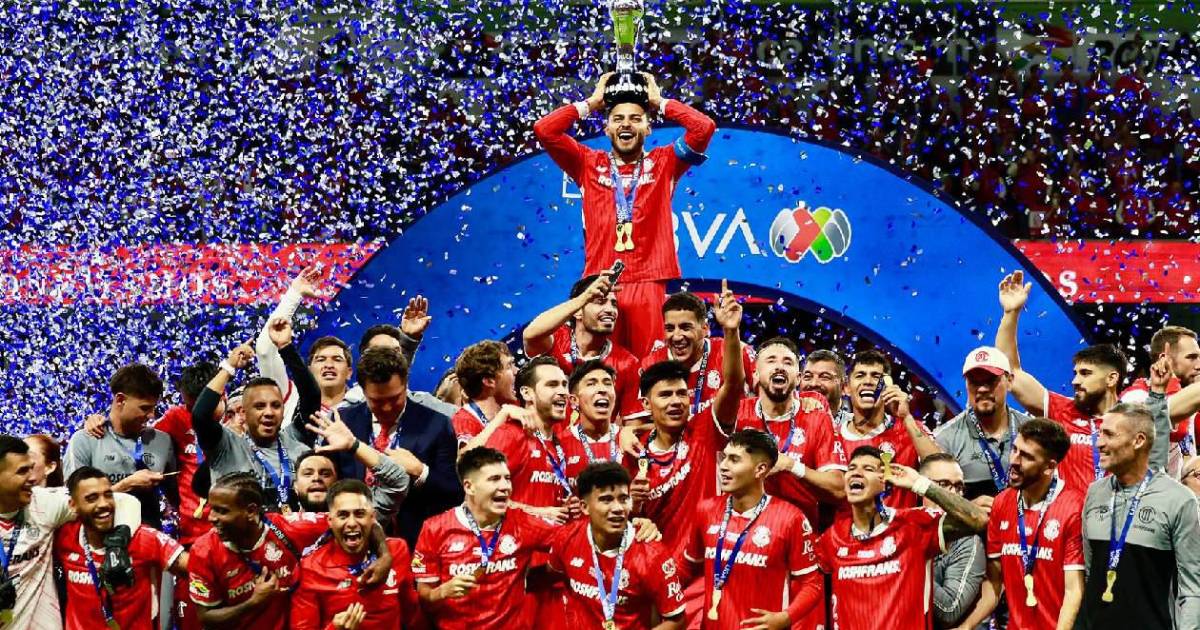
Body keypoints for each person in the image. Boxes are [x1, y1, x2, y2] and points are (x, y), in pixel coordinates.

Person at [533, 71, 717, 358]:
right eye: (617, 119)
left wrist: (659, 101)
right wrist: (591, 103)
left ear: (648, 128)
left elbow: (703, 128)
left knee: (650, 365)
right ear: (607, 129)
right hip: (602, 283)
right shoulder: (586, 163)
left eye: (635, 118)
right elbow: (545, 130)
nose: (626, 124)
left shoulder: (665, 162)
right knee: (601, 364)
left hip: (649, 282)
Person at [622, 280, 746, 554]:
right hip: (655, 561)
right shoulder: (635, 450)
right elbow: (622, 517)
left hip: (706, 558)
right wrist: (634, 504)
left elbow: (733, 386)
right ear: (646, 403)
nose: (676, 401)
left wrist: (731, 330)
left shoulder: (704, 429)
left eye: (681, 394)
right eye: (666, 395)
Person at [186, 472, 393, 629]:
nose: (211, 517)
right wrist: (254, 602)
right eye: (212, 508)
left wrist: (385, 556)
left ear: (251, 511)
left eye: (222, 511)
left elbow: (362, 522)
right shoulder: (203, 551)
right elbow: (206, 617)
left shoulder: (291, 527)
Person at [815, 446, 989, 630]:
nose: (856, 473)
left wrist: (920, 484)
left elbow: (978, 519)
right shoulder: (832, 538)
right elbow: (808, 585)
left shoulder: (914, 526)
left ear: (885, 483)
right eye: (851, 468)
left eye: (868, 469)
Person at [995, 270, 1134, 489]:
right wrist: (1011, 314)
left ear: (1112, 379)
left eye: (1085, 374)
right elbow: (1011, 371)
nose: (1075, 381)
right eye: (1075, 373)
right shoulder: (1062, 411)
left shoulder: (1134, 420)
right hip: (1067, 511)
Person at [681, 430, 822, 629]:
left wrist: (785, 618)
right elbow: (684, 568)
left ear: (760, 469)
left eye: (734, 460)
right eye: (724, 458)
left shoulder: (790, 518)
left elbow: (812, 583)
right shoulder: (706, 510)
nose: (723, 466)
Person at [1076, 403, 1200, 629]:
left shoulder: (1179, 500)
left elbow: (1192, 590)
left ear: (1139, 440)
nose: (1099, 443)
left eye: (1109, 434)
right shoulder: (1095, 493)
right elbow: (1091, 573)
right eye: (1100, 433)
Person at [954, 418, 1083, 630]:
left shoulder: (1073, 508)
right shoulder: (1002, 503)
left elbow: (1073, 591)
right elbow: (994, 583)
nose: (1014, 461)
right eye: (1015, 449)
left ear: (1049, 467)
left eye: (1026, 456)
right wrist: (966, 626)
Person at [411, 447, 560, 629]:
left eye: (507, 478)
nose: (505, 486)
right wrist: (442, 592)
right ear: (469, 487)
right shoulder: (435, 528)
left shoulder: (523, 523)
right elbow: (424, 599)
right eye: (494, 479)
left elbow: (571, 542)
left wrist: (542, 575)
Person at [0, 435, 139, 630]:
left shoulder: (45, 503)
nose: (32, 478)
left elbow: (125, 501)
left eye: (31, 468)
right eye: (22, 471)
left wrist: (117, 543)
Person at [333, 346, 462, 544]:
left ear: (406, 384)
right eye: (377, 401)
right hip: (353, 542)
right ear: (363, 391)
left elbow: (455, 493)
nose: (387, 408)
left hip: (417, 544)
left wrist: (421, 472)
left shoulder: (436, 424)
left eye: (395, 398)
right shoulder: (343, 423)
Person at [191, 322, 322, 513]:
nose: (269, 412)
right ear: (245, 412)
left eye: (275, 405)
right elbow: (200, 415)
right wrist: (229, 367)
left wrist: (286, 348)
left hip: (292, 530)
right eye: (259, 406)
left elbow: (311, 396)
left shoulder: (296, 439)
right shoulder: (226, 445)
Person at [546, 462, 685, 629]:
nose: (618, 508)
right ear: (584, 507)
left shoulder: (652, 554)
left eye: (624, 499)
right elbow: (549, 576)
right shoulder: (567, 538)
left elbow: (677, 620)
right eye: (606, 500)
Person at [732, 337, 846, 529]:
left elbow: (838, 489)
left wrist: (791, 465)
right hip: (741, 534)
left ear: (798, 378)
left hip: (800, 534)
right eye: (771, 361)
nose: (779, 367)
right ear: (756, 374)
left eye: (788, 362)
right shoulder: (737, 413)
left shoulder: (816, 417)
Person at [54, 467, 188, 630]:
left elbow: (194, 568)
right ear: (73, 505)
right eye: (92, 498)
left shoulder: (142, 538)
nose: (104, 504)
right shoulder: (65, 536)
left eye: (108, 495)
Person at [291, 479, 424, 630]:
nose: (352, 523)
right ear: (330, 520)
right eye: (343, 515)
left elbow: (413, 616)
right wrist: (334, 629)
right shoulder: (311, 568)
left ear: (372, 517)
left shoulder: (397, 551)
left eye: (360, 514)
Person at [64, 364, 178, 532]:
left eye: (154, 408)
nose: (152, 415)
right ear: (120, 400)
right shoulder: (84, 441)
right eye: (144, 408)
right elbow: (74, 506)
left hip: (148, 541)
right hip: (102, 540)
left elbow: (177, 498)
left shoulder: (161, 441)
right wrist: (126, 485)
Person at [522, 272, 642, 421]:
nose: (610, 310)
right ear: (578, 311)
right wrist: (585, 297)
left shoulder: (628, 364)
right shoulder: (557, 338)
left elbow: (633, 425)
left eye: (613, 304)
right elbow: (530, 335)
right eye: (600, 301)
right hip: (547, 434)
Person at [467, 356, 575, 521]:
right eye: (552, 385)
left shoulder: (558, 443)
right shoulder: (510, 435)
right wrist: (538, 512)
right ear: (526, 393)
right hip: (512, 537)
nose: (563, 392)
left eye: (564, 385)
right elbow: (480, 494)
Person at [836, 350, 941, 508]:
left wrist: (906, 418)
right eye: (860, 375)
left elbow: (940, 470)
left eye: (876, 376)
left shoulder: (910, 428)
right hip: (848, 524)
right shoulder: (833, 436)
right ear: (846, 388)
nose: (868, 381)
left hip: (900, 523)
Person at [934, 347, 1032, 501]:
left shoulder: (1033, 433)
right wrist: (968, 509)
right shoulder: (945, 439)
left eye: (991, 381)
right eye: (974, 382)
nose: (982, 389)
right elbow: (936, 505)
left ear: (1009, 381)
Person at [639, 291, 755, 415]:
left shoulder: (734, 352)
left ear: (705, 329)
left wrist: (731, 330)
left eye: (685, 328)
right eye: (670, 329)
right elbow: (639, 422)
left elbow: (766, 397)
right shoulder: (651, 364)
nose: (676, 337)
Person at [1119, 325, 1200, 477]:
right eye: (1191, 357)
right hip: (1142, 489)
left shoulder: (1186, 394)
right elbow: (1177, 431)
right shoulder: (1135, 397)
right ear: (1165, 359)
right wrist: (1173, 383)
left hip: (1172, 488)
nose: (1199, 365)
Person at [919, 454, 985, 630]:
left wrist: (906, 563)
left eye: (959, 487)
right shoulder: (902, 528)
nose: (953, 494)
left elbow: (950, 610)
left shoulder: (967, 541)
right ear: (919, 488)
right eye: (942, 485)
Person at [560, 361, 625, 478]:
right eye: (591, 384)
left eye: (607, 383)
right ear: (574, 400)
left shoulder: (629, 441)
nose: (602, 389)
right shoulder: (560, 445)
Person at [450, 340, 518, 449]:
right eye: (509, 366)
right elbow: (465, 456)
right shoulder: (464, 420)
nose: (516, 371)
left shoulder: (516, 406)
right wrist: (502, 416)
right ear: (489, 381)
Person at [800, 349, 850, 427]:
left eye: (824, 377)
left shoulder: (856, 428)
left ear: (843, 386)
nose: (814, 384)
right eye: (807, 376)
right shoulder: (785, 422)